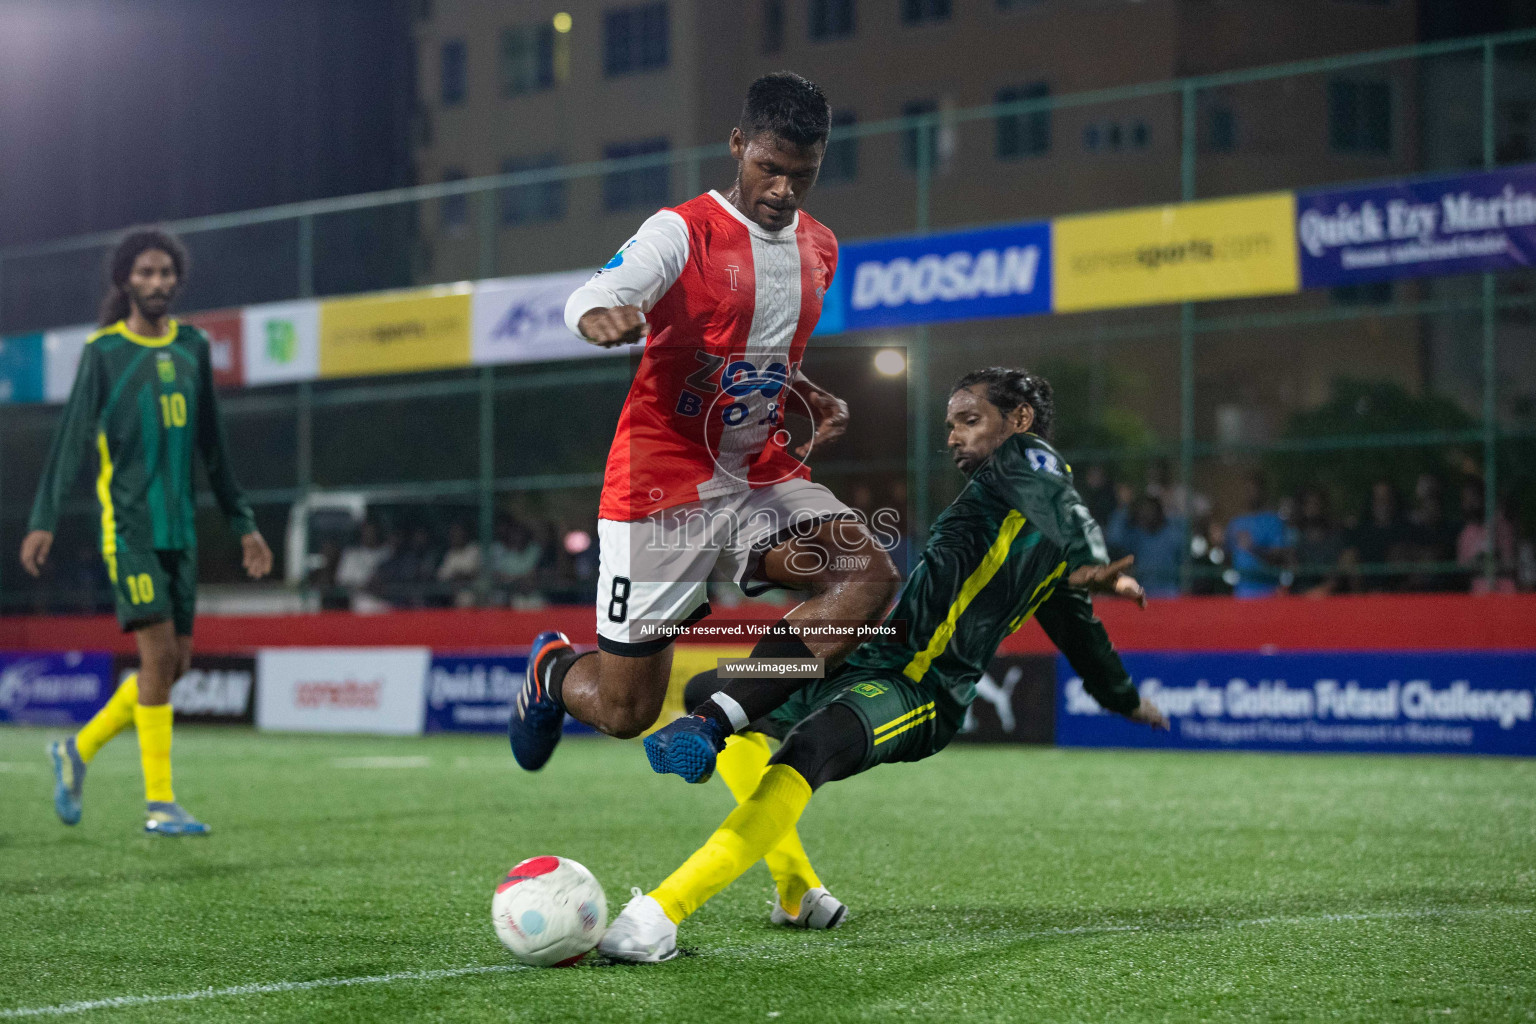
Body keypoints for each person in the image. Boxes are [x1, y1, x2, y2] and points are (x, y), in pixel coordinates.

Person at [599, 368, 1169, 960]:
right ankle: (796, 889)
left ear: (1020, 422)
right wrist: (1124, 696)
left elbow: (1062, 519)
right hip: (867, 651)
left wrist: (1099, 565)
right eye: (950, 424)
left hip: (918, 690)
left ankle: (658, 915)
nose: (952, 436)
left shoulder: (1031, 466)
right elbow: (1084, 635)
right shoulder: (1000, 502)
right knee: (714, 690)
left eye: (969, 421)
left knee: (810, 747)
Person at [510, 72, 899, 770]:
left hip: (759, 477)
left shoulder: (822, 249)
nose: (782, 189)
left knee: (865, 577)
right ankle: (553, 671)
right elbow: (596, 292)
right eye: (769, 168)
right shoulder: (681, 231)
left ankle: (721, 711)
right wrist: (599, 315)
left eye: (801, 176)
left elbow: (765, 348)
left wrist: (805, 390)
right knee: (624, 710)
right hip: (664, 483)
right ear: (738, 144)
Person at [21, 229, 273, 836]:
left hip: (180, 533)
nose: (157, 283)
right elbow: (71, 440)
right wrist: (43, 520)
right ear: (125, 282)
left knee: (175, 666)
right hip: (129, 529)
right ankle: (159, 805)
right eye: (146, 273)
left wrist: (245, 525)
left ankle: (75, 751)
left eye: (166, 273)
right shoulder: (103, 352)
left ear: (176, 281)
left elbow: (213, 446)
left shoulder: (192, 347)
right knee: (158, 657)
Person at [1225, 472, 1291, 598]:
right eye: (1247, 489)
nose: (1250, 493)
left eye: (1254, 489)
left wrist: (1253, 548)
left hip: (1268, 592)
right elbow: (1227, 557)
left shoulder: (1273, 520)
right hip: (1240, 594)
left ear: (1262, 491)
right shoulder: (1235, 522)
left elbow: (1278, 557)